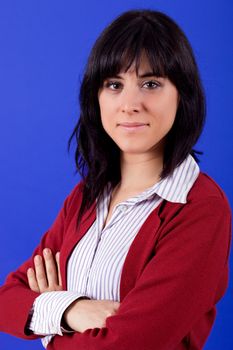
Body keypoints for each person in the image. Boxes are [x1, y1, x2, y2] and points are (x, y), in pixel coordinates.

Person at [0, 9, 231, 350]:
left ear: (182, 94)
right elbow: (7, 299)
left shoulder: (200, 208)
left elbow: (128, 345)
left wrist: (49, 328)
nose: (129, 104)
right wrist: (73, 311)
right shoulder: (87, 196)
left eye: (151, 84)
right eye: (114, 85)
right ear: (96, 96)